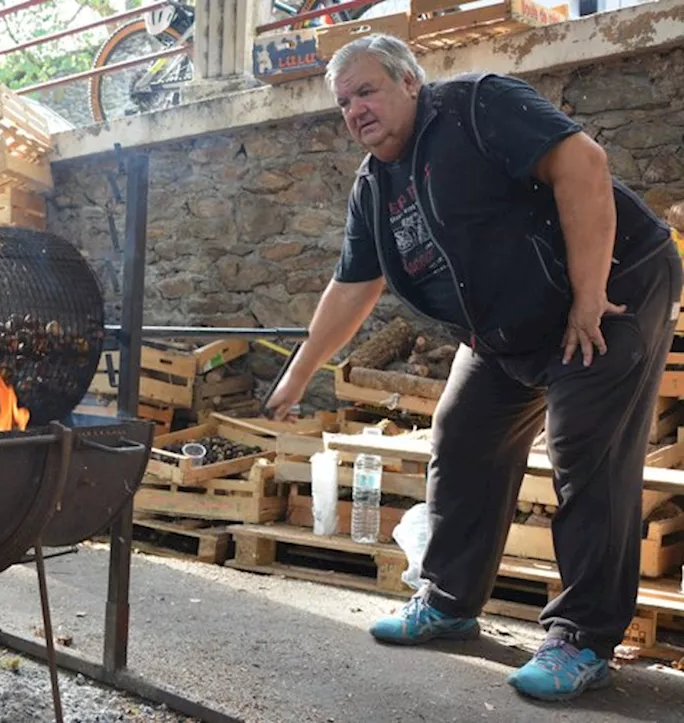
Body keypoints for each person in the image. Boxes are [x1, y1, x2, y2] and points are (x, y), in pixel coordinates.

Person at [264, 34, 681, 703]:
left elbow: (582, 163)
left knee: (585, 449)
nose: (355, 111)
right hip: (505, 326)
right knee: (463, 436)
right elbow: (352, 288)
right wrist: (299, 372)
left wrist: (587, 292)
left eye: (366, 90)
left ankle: (582, 638)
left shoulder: (475, 107)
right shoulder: (374, 187)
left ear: (408, 82)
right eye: (343, 103)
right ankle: (449, 602)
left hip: (614, 284)